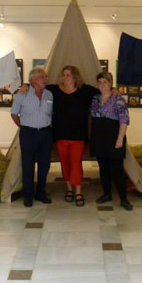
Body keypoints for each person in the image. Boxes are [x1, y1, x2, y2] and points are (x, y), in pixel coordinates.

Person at [19, 66, 100, 207]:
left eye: (68, 75)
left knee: (76, 164)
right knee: (65, 164)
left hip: (78, 136)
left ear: (75, 77)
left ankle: (78, 191)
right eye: (63, 75)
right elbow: (36, 85)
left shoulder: (85, 91)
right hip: (60, 135)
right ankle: (69, 189)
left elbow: (102, 91)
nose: (64, 77)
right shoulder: (53, 91)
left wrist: (114, 90)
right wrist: (25, 85)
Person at [90, 71, 133, 211]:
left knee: (117, 170)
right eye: (100, 82)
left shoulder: (118, 99)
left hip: (114, 137)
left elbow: (124, 120)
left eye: (105, 82)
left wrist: (120, 139)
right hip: (99, 137)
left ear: (110, 84)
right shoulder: (95, 98)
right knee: (103, 168)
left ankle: (124, 199)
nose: (102, 85)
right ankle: (107, 194)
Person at [11, 68, 53, 207]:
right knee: (28, 165)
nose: (45, 79)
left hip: (45, 134)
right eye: (42, 77)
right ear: (33, 79)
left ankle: (40, 193)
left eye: (45, 76)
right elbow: (14, 113)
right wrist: (23, 127)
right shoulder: (22, 94)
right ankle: (28, 195)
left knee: (44, 165)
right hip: (28, 133)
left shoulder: (49, 94)